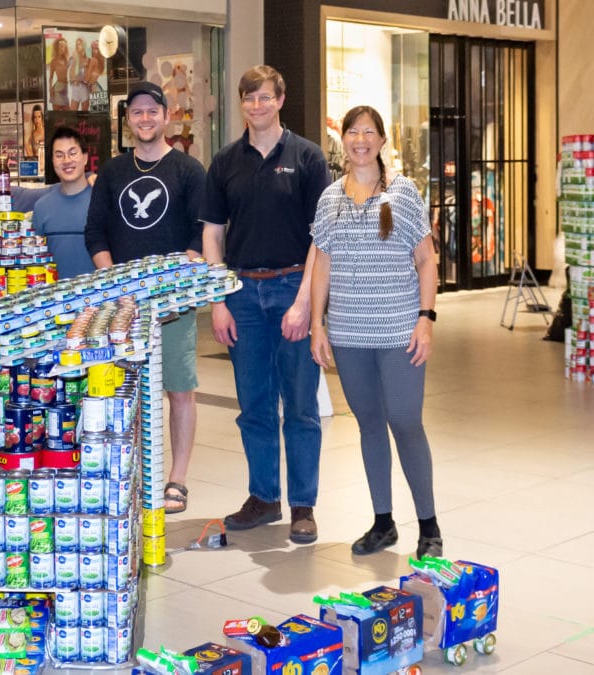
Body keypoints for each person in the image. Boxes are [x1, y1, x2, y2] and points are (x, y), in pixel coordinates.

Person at [199, 65, 330, 544]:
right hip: (241, 296)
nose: (256, 106)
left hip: (293, 286)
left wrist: (303, 304)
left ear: (281, 99)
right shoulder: (226, 161)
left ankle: (302, 505)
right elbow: (212, 234)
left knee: (300, 407)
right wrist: (218, 299)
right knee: (253, 406)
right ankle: (263, 497)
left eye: (264, 97)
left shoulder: (308, 157)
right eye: (248, 98)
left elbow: (323, 237)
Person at [309, 105, 442, 560]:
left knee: (405, 421)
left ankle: (429, 525)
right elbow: (321, 265)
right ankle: (383, 522)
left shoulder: (404, 194)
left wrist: (426, 319)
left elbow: (427, 260)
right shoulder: (330, 199)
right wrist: (316, 326)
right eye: (353, 132)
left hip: (398, 332)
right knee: (368, 425)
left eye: (369, 132)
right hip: (348, 335)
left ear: (382, 141)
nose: (360, 139)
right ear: (342, 139)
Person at [85, 81, 205, 515]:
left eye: (152, 111)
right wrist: (116, 283)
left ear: (166, 115)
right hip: (123, 308)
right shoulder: (113, 172)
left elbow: (200, 234)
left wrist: (173, 283)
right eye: (136, 112)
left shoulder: (188, 170)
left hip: (173, 303)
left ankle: (178, 479)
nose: (145, 118)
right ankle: (130, 470)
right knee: (125, 389)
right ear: (128, 120)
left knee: (179, 388)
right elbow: (95, 233)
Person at [33, 126, 95, 279]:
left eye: (73, 153)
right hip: (53, 299)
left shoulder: (101, 200)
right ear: (52, 160)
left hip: (96, 298)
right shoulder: (42, 207)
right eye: (59, 155)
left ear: (85, 157)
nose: (67, 161)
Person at [49, 38, 70, 111]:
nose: (62, 48)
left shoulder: (67, 60)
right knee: (56, 115)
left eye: (64, 46)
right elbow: (51, 77)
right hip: (57, 90)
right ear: (56, 47)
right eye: (60, 46)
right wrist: (50, 89)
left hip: (66, 89)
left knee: (68, 114)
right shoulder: (53, 62)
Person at [69, 38, 89, 111]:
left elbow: (87, 78)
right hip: (75, 89)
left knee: (85, 118)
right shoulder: (72, 59)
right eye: (77, 44)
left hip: (84, 89)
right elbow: (71, 76)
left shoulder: (87, 60)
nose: (78, 46)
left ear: (83, 46)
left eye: (80, 44)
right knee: (72, 116)